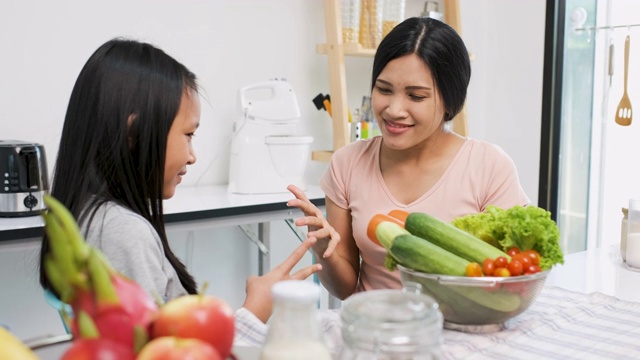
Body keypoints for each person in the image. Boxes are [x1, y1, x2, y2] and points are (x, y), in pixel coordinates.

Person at [38, 38, 322, 345]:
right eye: (188, 135)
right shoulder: (122, 233)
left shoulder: (89, 216)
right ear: (134, 133)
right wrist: (253, 311)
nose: (192, 156)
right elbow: (159, 352)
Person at [288, 17, 530, 300]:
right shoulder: (347, 163)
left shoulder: (489, 167)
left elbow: (516, 279)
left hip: (462, 329)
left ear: (451, 101)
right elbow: (344, 289)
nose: (394, 109)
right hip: (377, 330)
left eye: (415, 96)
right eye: (384, 89)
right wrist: (323, 249)